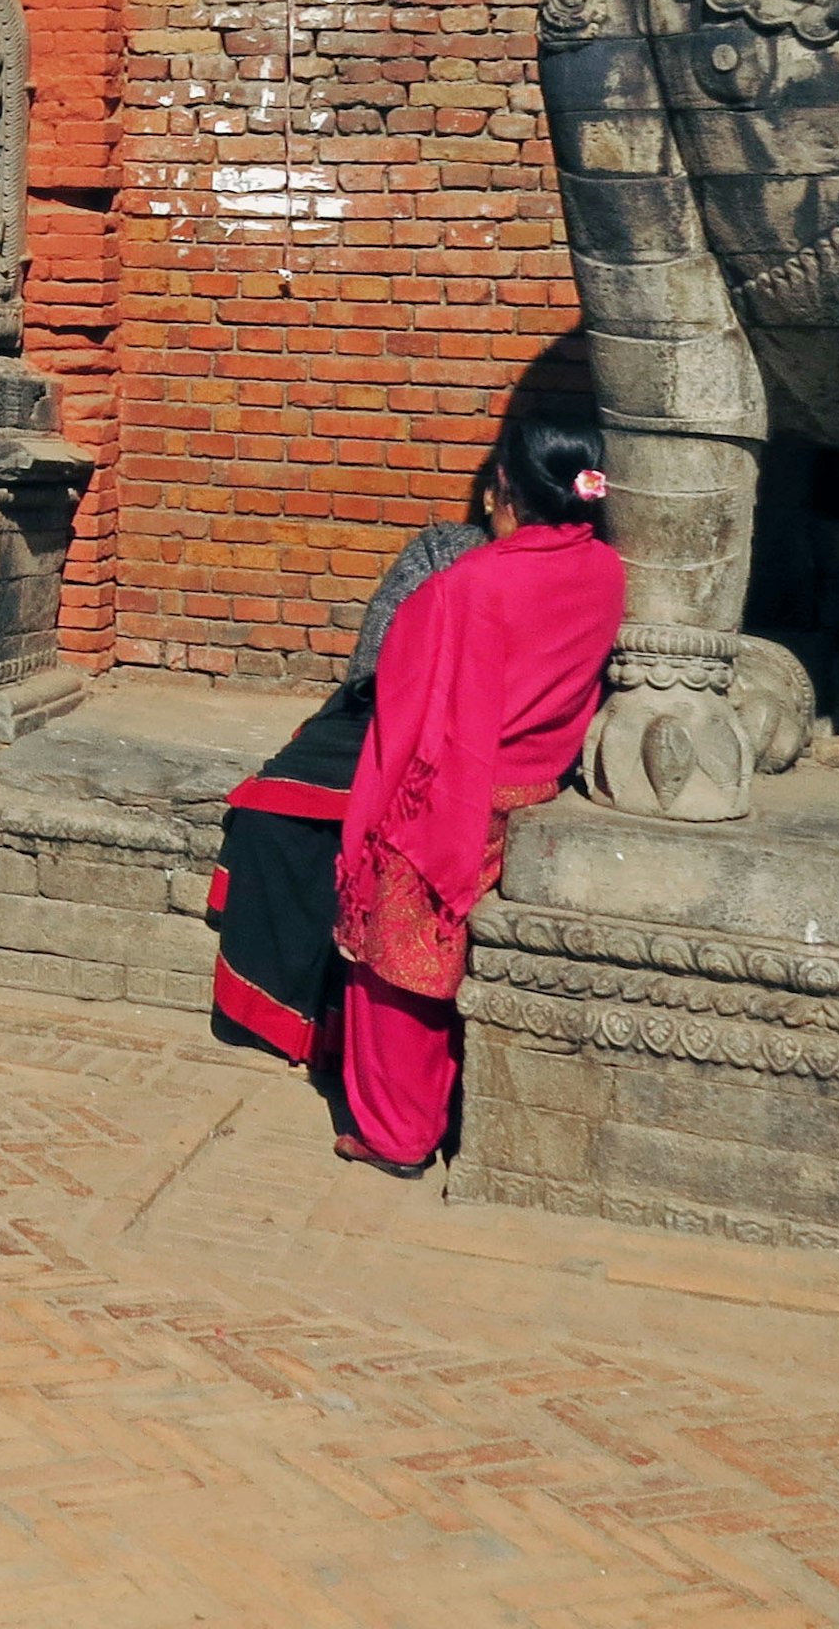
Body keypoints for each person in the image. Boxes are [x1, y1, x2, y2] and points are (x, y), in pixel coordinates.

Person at [206, 413, 625, 1175]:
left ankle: (397, 1134)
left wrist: (374, 827)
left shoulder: (466, 585)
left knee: (396, 964)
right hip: (535, 786)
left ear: (504, 491)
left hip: (457, 794)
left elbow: (410, 722)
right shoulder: (604, 571)